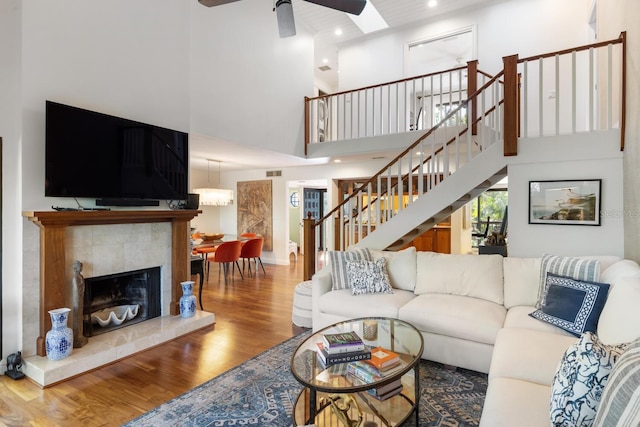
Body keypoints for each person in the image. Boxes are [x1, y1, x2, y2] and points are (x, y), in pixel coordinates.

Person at [72, 260, 89, 348]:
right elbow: (76, 289)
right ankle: (77, 336)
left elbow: (82, 287)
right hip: (77, 299)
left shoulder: (80, 276)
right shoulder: (75, 278)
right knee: (77, 316)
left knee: (80, 315)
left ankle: (80, 335)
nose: (81, 268)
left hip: (81, 297)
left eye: (81, 266)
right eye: (79, 266)